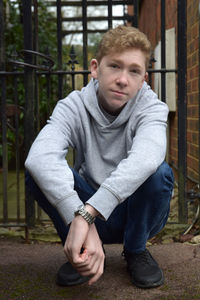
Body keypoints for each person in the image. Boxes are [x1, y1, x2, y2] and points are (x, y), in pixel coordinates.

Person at [25, 25, 174, 289]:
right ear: (95, 68)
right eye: (115, 66)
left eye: (134, 71)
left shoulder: (152, 108)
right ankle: (81, 251)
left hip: (135, 214)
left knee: (159, 172)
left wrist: (87, 214)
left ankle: (136, 250)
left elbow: (147, 157)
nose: (123, 79)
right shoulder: (73, 106)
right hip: (86, 210)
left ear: (144, 79)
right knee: (37, 173)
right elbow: (39, 157)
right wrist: (79, 214)